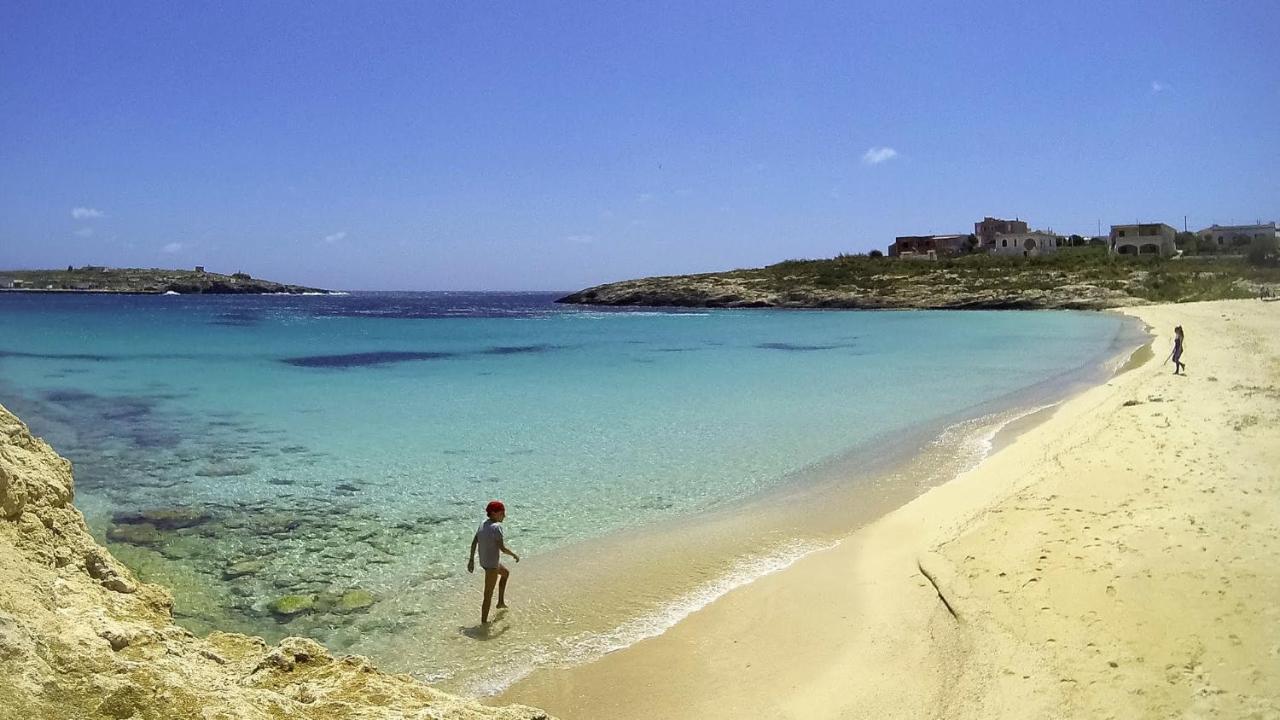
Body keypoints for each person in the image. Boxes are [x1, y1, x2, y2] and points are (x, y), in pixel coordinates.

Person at [467, 500, 519, 624]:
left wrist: (471, 561)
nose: (504, 516)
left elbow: (474, 542)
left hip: (484, 562)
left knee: (505, 573)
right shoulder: (497, 527)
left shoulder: (482, 524)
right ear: (494, 513)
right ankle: (483, 623)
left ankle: (500, 602)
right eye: (502, 513)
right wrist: (514, 555)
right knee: (488, 595)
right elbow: (502, 548)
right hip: (491, 566)